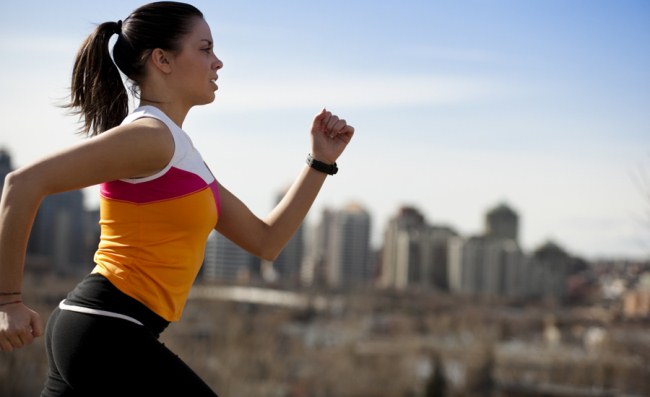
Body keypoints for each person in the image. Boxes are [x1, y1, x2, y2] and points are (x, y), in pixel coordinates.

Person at [0, 1, 354, 395]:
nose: (218, 62)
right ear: (162, 60)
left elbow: (265, 240)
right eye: (205, 49)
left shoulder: (181, 153)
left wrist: (320, 162)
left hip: (101, 328)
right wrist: (7, 301)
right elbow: (22, 184)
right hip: (108, 329)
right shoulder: (150, 137)